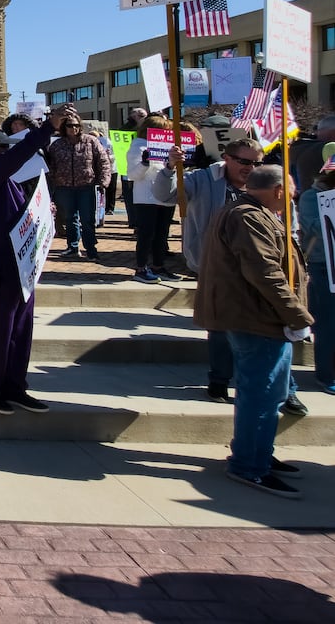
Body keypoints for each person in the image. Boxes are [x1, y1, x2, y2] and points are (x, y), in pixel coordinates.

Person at [193, 165, 313, 499]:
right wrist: (297, 314)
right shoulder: (248, 217)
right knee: (260, 395)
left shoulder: (249, 213)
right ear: (276, 189)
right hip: (256, 319)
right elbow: (265, 272)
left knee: (266, 395)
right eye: (289, 188)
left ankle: (257, 454)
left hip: (257, 317)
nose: (292, 195)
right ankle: (249, 465)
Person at [0, 109, 65, 415]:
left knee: (21, 324)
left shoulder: (4, 176)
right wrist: (47, 128)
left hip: (20, 259)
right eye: (3, 149)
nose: (8, 153)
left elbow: (15, 208)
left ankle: (14, 385)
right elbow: (15, 158)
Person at [154, 138, 267, 403]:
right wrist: (170, 167)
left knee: (259, 327)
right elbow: (165, 195)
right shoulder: (202, 179)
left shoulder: (264, 183)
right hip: (215, 265)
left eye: (257, 163)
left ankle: (279, 386)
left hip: (255, 265)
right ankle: (219, 380)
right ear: (227, 158)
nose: (251, 168)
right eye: (244, 161)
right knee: (220, 326)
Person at [44, 111, 111, 260]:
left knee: (87, 219)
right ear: (64, 127)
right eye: (69, 125)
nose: (73, 128)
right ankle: (73, 247)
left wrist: (103, 182)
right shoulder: (57, 145)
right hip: (64, 187)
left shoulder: (91, 141)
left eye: (76, 125)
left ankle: (91, 248)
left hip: (86, 186)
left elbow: (104, 161)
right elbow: (50, 166)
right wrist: (52, 184)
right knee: (70, 218)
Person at [298, 143, 335, 395]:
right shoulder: (313, 196)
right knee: (328, 324)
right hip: (325, 267)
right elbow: (313, 229)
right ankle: (327, 374)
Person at [126, 113, 180, 283]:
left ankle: (158, 265)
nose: (165, 134)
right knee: (146, 234)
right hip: (147, 198)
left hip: (166, 196)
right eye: (161, 131)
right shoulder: (138, 146)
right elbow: (132, 175)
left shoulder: (171, 147)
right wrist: (144, 163)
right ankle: (141, 268)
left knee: (162, 234)